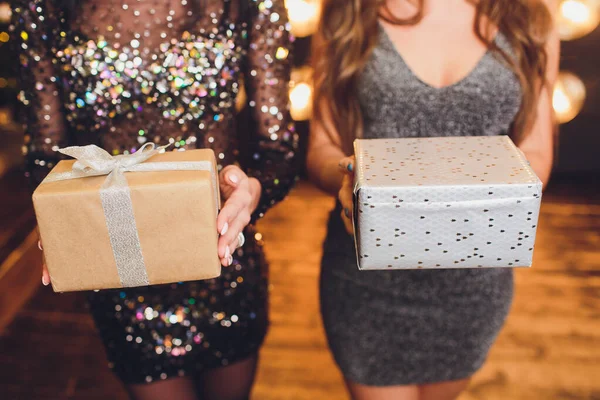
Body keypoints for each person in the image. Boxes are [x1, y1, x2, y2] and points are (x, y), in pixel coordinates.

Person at [12, 0, 298, 399]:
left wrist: (249, 192)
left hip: (220, 258)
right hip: (120, 272)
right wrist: (60, 215)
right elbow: (46, 155)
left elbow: (279, 151)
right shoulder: (42, 6)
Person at [307, 0, 558, 399]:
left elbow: (537, 148)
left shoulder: (529, 18)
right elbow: (321, 145)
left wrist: (509, 197)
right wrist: (347, 177)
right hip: (368, 278)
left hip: (474, 280)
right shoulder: (347, 12)